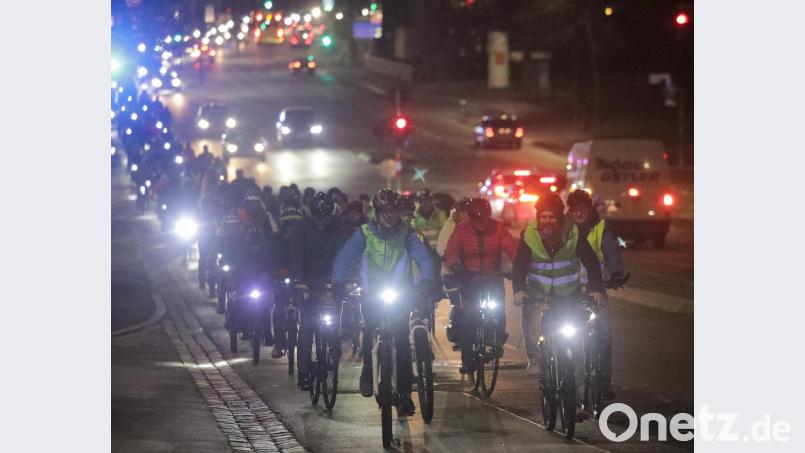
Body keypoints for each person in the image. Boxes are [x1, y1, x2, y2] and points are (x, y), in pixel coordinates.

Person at [331, 189, 437, 417]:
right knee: (370, 330)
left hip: (401, 293)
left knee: (401, 339)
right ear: (377, 213)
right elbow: (345, 256)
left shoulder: (408, 234)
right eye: (384, 211)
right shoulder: (364, 233)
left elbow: (423, 258)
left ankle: (405, 394)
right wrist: (338, 282)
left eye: (393, 211)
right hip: (371, 293)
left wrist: (428, 280)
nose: (389, 216)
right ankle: (368, 370)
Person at [511, 193, 606, 377]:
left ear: (560, 218)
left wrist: (596, 289)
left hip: (568, 294)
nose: (547, 221)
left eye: (552, 217)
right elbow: (519, 265)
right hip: (538, 293)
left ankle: (577, 367)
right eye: (543, 217)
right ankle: (535, 359)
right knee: (530, 314)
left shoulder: (573, 235)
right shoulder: (529, 235)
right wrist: (519, 289)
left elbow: (591, 262)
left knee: (576, 332)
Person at [442, 198, 517, 373]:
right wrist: (455, 266)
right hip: (469, 280)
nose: (480, 223)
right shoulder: (461, 230)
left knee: (498, 310)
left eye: (483, 218)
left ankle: (497, 339)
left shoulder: (499, 228)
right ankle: (467, 360)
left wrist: (516, 269)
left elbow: (513, 251)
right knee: (468, 316)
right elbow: (450, 253)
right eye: (476, 219)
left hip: (492, 278)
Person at [566, 189, 626, 393]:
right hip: (569, 290)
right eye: (574, 209)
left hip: (596, 289)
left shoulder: (601, 227)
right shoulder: (564, 229)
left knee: (603, 335)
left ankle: (603, 383)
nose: (578, 213)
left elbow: (611, 251)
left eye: (582, 209)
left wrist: (616, 273)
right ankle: (561, 375)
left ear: (589, 209)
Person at [288, 192, 342, 390]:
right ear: (312, 214)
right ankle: (303, 373)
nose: (322, 221)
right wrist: (299, 280)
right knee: (308, 324)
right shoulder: (300, 229)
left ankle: (334, 352)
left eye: (326, 216)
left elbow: (346, 253)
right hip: (307, 282)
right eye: (318, 216)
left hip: (331, 280)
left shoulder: (339, 228)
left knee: (337, 321)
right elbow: (295, 256)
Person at [268, 206, 305, 358]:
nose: (291, 228)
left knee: (310, 310)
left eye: (295, 224)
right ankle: (278, 343)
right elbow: (268, 259)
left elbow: (311, 259)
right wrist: (271, 273)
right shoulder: (275, 240)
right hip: (280, 280)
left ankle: (308, 343)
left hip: (301, 280)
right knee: (278, 307)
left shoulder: (306, 240)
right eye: (288, 224)